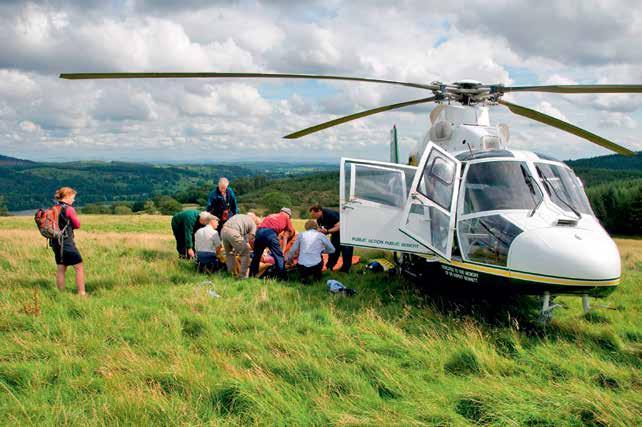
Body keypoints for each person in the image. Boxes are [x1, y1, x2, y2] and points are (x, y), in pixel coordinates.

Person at [50, 187, 86, 296]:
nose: (73, 200)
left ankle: (61, 294)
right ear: (67, 196)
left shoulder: (54, 207)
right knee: (79, 267)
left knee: (61, 268)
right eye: (73, 198)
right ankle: (82, 294)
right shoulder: (69, 209)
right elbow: (77, 225)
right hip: (67, 242)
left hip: (56, 242)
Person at [249, 207, 295, 279]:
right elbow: (285, 236)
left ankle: (252, 275)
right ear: (288, 214)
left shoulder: (271, 215)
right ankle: (282, 278)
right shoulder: (286, 218)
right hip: (270, 233)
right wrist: (282, 252)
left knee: (256, 256)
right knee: (279, 257)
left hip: (259, 232)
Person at [286, 219, 335, 284]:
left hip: (302, 266)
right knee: (319, 258)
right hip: (316, 266)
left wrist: (289, 261)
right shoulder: (321, 235)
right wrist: (322, 251)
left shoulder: (301, 235)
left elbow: (292, 250)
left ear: (306, 227)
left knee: (302, 261)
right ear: (316, 227)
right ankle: (317, 277)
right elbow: (332, 250)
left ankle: (304, 277)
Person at [309, 203, 354, 272]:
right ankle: (329, 267)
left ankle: (345, 270)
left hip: (346, 233)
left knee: (346, 251)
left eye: (314, 214)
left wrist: (327, 231)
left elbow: (339, 226)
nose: (313, 216)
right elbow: (323, 229)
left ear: (319, 211)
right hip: (336, 234)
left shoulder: (330, 214)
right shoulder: (319, 219)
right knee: (333, 250)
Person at [220, 212, 261, 278]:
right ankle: (243, 276)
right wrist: (254, 249)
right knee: (245, 253)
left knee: (230, 254)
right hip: (233, 232)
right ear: (254, 219)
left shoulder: (239, 216)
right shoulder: (252, 223)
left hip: (223, 231)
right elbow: (251, 239)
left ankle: (231, 274)